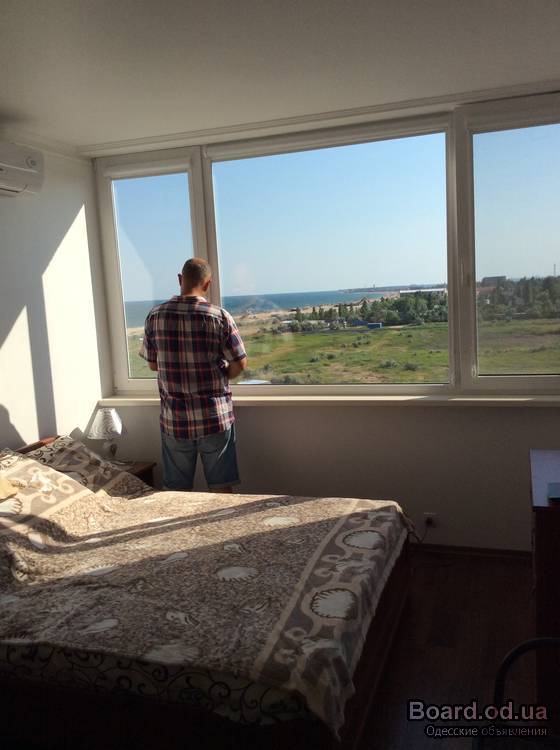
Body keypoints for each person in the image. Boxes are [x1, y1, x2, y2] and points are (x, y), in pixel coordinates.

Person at [139, 258, 247, 492]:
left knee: (176, 492)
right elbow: (240, 363)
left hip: (175, 420)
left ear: (180, 279)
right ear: (207, 284)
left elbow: (153, 365)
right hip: (214, 417)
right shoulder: (220, 316)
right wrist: (222, 375)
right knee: (221, 491)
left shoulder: (155, 316)